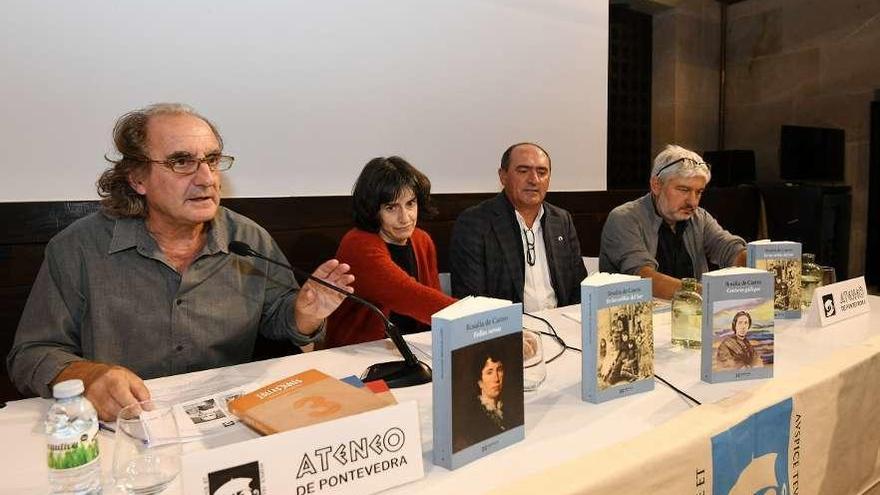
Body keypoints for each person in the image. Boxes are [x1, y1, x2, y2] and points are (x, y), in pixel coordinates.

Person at [6, 103, 354, 420]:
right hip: (122, 429)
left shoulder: (248, 239)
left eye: (213, 160)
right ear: (138, 178)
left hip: (225, 421)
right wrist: (89, 375)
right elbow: (31, 354)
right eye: (182, 162)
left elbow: (280, 320)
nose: (206, 178)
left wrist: (303, 314)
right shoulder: (78, 248)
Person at [324, 156, 456, 347]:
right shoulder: (358, 244)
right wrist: (479, 320)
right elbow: (410, 296)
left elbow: (433, 300)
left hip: (415, 347)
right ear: (373, 210)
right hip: (359, 352)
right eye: (391, 207)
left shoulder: (422, 240)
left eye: (410, 203)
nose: (405, 218)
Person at [449, 143, 587, 311]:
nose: (534, 180)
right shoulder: (475, 223)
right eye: (523, 171)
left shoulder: (561, 220)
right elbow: (471, 299)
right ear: (503, 176)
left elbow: (579, 288)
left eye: (542, 172)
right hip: (508, 330)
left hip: (561, 325)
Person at [599, 144, 747, 299]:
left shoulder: (699, 217)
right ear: (656, 185)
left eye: (699, 192)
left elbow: (730, 249)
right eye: (684, 190)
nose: (693, 202)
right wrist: (709, 293)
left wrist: (759, 267)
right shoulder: (624, 219)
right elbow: (644, 278)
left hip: (690, 314)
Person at [452, 351, 521, 452]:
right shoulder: (470, 418)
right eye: (489, 372)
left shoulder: (509, 412)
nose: (496, 378)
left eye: (499, 370)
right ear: (479, 381)